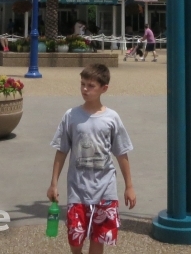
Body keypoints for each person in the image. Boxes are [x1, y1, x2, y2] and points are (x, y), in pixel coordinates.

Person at [48, 64, 136, 253]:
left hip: (105, 190)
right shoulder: (71, 116)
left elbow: (121, 153)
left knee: (98, 239)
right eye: (82, 84)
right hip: (77, 190)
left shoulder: (112, 118)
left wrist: (129, 186)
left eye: (91, 85)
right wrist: (53, 183)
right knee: (75, 240)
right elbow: (61, 150)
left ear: (104, 88)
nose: (85, 89)